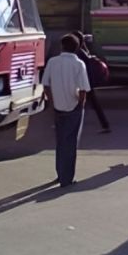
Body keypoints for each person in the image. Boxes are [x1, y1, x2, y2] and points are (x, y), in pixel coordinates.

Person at [42, 34, 91, 187]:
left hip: (57, 107)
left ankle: (60, 173)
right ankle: (66, 178)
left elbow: (45, 84)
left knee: (60, 141)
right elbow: (83, 89)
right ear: (77, 48)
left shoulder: (52, 62)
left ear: (62, 46)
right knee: (71, 143)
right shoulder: (79, 64)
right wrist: (80, 105)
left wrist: (52, 101)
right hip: (73, 106)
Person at [71, 30, 111, 134]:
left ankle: (70, 124)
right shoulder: (82, 51)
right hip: (87, 81)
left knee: (78, 102)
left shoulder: (78, 53)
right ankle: (105, 125)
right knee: (93, 104)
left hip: (84, 82)